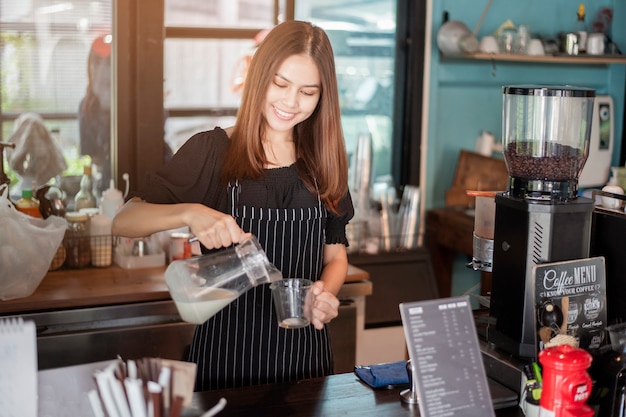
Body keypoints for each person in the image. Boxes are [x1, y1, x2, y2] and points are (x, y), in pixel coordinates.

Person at [112, 20, 354, 391]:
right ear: (259, 75)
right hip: (225, 363)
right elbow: (124, 220)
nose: (290, 102)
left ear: (323, 96)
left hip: (306, 363)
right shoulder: (212, 151)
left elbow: (335, 256)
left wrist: (325, 293)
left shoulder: (325, 163)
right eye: (280, 84)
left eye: (308, 92)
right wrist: (190, 212)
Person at [78, 34, 112, 195]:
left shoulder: (139, 105)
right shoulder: (86, 107)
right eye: (97, 62)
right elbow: (95, 158)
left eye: (110, 63)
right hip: (107, 187)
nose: (103, 70)